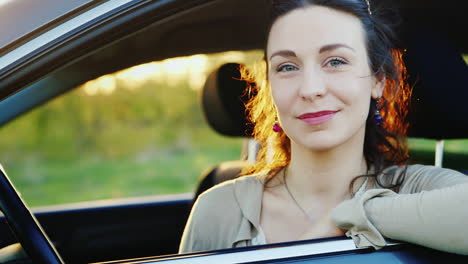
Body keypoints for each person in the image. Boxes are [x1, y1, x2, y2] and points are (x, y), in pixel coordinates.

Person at [179, 0, 468, 255]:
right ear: (270, 87)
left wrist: (350, 215)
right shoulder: (218, 209)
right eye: (287, 67)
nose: (310, 89)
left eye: (335, 61)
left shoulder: (419, 190)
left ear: (377, 80)